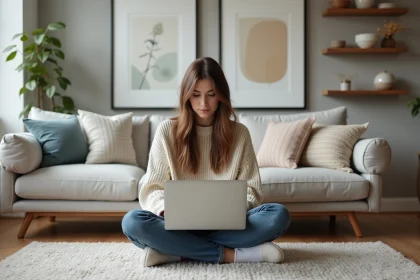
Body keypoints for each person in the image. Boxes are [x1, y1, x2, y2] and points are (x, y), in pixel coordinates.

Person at [121, 57, 291, 267]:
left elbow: (252, 190)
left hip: (229, 226)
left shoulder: (240, 134)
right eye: (196, 95)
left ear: (221, 96)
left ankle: (175, 252)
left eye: (211, 95)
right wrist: (166, 209)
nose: (203, 104)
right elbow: (151, 188)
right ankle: (234, 255)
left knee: (277, 215)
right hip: (177, 225)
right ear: (186, 96)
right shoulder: (167, 131)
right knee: (133, 222)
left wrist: (234, 210)